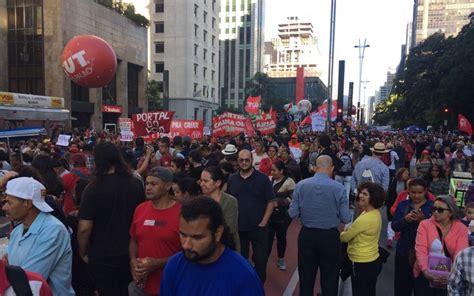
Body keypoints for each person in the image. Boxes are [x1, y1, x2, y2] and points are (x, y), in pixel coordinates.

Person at [77, 142, 145, 296]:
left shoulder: (92, 188)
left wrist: (83, 252)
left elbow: (84, 228)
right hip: (131, 252)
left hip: (102, 255)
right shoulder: (135, 183)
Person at [159, 196, 264, 296]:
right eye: (183, 235)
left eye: (197, 238)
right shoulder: (173, 266)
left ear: (218, 233)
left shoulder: (244, 276)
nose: (186, 245)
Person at [289, 155, 352, 296]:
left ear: (315, 167)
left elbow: (292, 213)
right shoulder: (339, 188)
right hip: (329, 237)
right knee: (330, 278)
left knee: (306, 277)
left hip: (307, 235)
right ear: (332, 168)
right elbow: (346, 217)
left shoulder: (301, 185)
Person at [3, 177, 75, 295]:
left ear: (28, 203)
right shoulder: (17, 232)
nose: (4, 207)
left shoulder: (53, 230)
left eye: (9, 202)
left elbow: (29, 280)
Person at [129, 167, 182, 296]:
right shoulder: (140, 209)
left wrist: (157, 263)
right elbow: (134, 240)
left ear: (168, 186)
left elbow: (188, 252)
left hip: (171, 286)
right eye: (146, 183)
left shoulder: (182, 213)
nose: (148, 187)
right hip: (141, 286)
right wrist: (132, 260)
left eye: (153, 184)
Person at [227, 149, 275, 283]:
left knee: (260, 261)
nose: (244, 162)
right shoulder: (232, 179)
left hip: (259, 228)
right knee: (241, 261)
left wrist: (264, 222)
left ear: (252, 161)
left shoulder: (263, 179)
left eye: (247, 160)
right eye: (241, 160)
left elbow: (271, 201)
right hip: (239, 228)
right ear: (237, 161)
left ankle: (259, 288)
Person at [414, 195, 468, 295]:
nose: (435, 212)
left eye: (440, 210)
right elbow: (420, 249)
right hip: (425, 273)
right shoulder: (425, 224)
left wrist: (451, 276)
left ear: (451, 212)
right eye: (433, 209)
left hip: (450, 276)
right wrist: (425, 271)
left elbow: (459, 254)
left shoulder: (462, 229)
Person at [340, 182, 385, 296]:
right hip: (372, 259)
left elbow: (345, 238)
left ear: (373, 198)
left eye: (365, 194)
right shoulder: (375, 213)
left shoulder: (365, 219)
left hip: (361, 263)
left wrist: (342, 234)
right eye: (360, 192)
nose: (360, 195)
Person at [391, 178, 434, 296]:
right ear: (408, 191)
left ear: (426, 192)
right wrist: (405, 220)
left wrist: (423, 220)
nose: (417, 195)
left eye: (420, 192)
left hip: (424, 252)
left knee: (422, 287)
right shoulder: (403, 205)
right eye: (413, 192)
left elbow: (436, 230)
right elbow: (395, 226)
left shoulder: (432, 207)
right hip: (404, 250)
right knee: (402, 285)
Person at [200, 166, 240, 253]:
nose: (201, 184)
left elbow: (230, 228)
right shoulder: (200, 201)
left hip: (227, 248)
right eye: (201, 180)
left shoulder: (230, 202)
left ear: (218, 183)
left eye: (205, 181)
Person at [268, 160, 295, 271]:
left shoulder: (289, 182)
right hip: (269, 215)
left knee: (281, 237)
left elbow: (293, 198)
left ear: (281, 170)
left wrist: (278, 203)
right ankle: (263, 259)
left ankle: (281, 258)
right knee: (267, 238)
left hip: (282, 216)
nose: (272, 172)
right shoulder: (270, 180)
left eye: (274, 170)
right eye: (271, 170)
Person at [386, 168, 410, 247]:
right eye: (405, 173)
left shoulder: (408, 183)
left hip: (402, 204)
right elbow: (390, 191)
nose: (407, 175)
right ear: (401, 173)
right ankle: (390, 238)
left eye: (407, 174)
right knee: (391, 220)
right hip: (392, 202)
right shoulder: (394, 180)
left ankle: (398, 234)